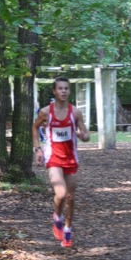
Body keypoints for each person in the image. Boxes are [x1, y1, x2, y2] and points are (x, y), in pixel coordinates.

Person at [32, 76, 90, 248]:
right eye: (60, 88)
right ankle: (57, 216)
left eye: (66, 88)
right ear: (54, 91)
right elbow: (35, 127)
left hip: (71, 158)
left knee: (71, 197)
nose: (64, 91)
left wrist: (83, 136)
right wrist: (38, 149)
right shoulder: (45, 112)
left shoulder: (75, 112)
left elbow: (86, 134)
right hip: (53, 157)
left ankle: (68, 230)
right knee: (61, 194)